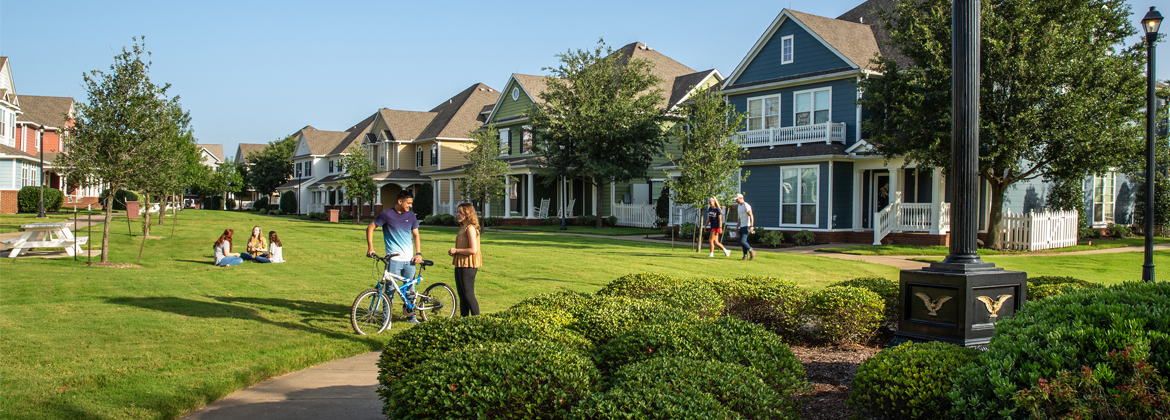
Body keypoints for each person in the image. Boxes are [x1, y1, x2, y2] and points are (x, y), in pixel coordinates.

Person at [366, 190, 424, 324]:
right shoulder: (386, 215)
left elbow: (416, 235)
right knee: (390, 291)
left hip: (409, 260)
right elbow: (370, 228)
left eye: (411, 203)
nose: (410, 206)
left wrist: (418, 253)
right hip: (394, 260)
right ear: (400, 201)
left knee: (410, 289)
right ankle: (387, 320)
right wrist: (370, 248)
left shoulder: (411, 216)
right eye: (408, 203)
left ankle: (411, 317)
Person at [448, 202, 481, 317]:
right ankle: (464, 320)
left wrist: (456, 251)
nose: (457, 215)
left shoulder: (470, 229)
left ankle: (477, 320)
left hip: (468, 265)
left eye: (460, 213)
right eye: (457, 212)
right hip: (460, 264)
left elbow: (473, 250)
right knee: (462, 296)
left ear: (468, 214)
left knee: (468, 295)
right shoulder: (462, 227)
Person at [735, 193, 757, 260]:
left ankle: (751, 250)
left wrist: (751, 226)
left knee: (742, 240)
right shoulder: (739, 206)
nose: (736, 201)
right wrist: (737, 226)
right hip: (742, 225)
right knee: (743, 241)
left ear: (741, 198)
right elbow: (740, 217)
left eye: (737, 199)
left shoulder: (746, 205)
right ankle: (745, 256)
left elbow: (751, 215)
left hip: (747, 225)